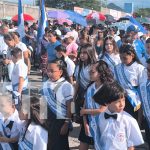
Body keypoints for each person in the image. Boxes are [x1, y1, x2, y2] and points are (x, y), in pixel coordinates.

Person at [93, 81, 144, 150]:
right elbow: (97, 139)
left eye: (123, 100)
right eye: (118, 101)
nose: (122, 104)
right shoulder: (99, 118)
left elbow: (131, 145)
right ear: (107, 102)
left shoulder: (128, 120)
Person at [79, 60, 114, 150]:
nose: (90, 73)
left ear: (101, 73)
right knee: (82, 145)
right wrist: (85, 124)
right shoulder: (90, 87)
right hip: (89, 121)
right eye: (89, 71)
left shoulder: (107, 88)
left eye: (92, 72)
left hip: (103, 124)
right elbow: (84, 106)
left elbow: (102, 109)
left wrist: (84, 111)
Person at [42, 59, 74, 150]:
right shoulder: (45, 84)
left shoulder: (66, 86)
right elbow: (43, 102)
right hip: (48, 119)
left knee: (60, 145)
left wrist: (67, 123)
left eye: (52, 71)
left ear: (60, 72)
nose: (49, 73)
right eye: (47, 70)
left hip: (61, 121)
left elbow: (71, 106)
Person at [114, 44, 147, 122]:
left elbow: (143, 87)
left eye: (125, 58)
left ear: (132, 55)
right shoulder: (118, 68)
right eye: (121, 58)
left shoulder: (140, 68)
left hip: (135, 100)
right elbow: (115, 82)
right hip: (121, 98)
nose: (122, 60)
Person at [74, 44, 97, 124]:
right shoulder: (79, 66)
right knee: (81, 118)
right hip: (81, 95)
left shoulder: (95, 67)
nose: (82, 55)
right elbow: (77, 83)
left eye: (85, 53)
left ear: (90, 53)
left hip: (92, 96)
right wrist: (73, 97)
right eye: (81, 53)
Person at [139, 58, 150, 148]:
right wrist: (139, 121)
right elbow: (142, 104)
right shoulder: (143, 86)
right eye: (147, 70)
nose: (148, 73)